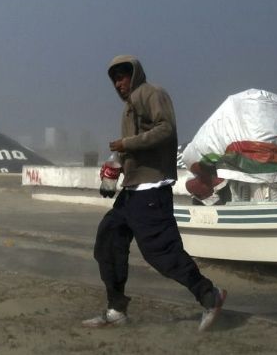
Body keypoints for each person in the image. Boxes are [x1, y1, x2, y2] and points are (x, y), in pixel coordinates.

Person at [83, 55, 226, 331]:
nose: (118, 83)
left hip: (152, 191)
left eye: (123, 76)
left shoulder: (152, 93)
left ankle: (211, 295)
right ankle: (116, 310)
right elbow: (133, 151)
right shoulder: (128, 107)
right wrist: (115, 169)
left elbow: (166, 129)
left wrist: (127, 143)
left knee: (161, 252)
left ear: (134, 75)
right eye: (114, 79)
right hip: (132, 191)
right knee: (109, 241)